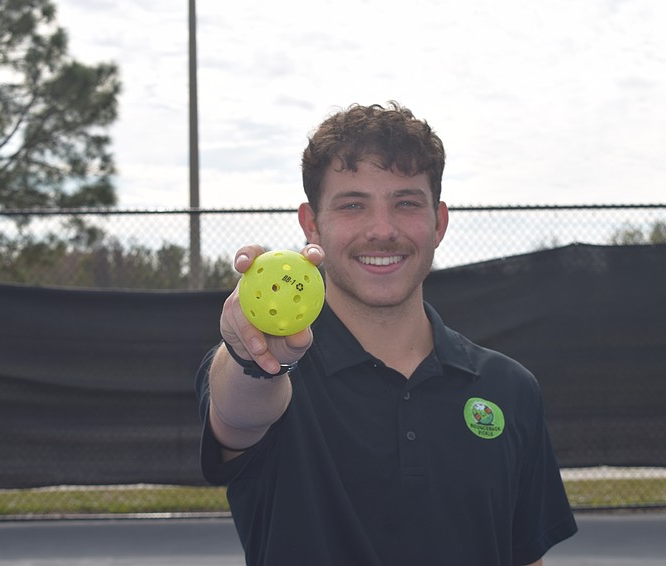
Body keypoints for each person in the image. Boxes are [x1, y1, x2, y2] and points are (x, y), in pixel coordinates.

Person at [195, 102, 577, 565]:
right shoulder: (269, 368)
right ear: (312, 225)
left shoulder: (510, 389)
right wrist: (252, 357)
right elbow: (239, 415)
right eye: (353, 205)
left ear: (438, 223)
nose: (382, 230)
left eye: (406, 203)